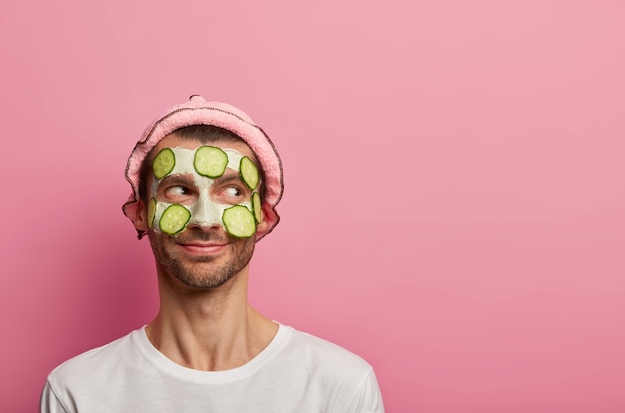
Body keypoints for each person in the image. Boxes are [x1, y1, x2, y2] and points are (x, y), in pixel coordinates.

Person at [40, 95, 384, 413]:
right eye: (179, 190)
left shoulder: (342, 388)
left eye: (232, 191)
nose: (205, 220)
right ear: (141, 213)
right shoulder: (76, 392)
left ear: (263, 217)